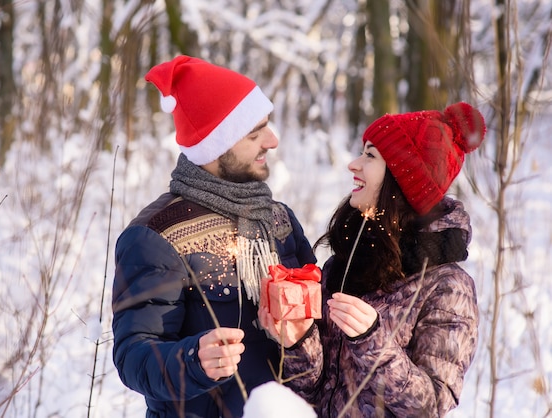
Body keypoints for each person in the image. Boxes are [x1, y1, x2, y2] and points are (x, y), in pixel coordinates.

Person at [111, 55, 316, 418]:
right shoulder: (157, 236)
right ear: (215, 146)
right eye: (254, 134)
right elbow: (134, 354)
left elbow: (318, 329)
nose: (272, 140)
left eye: (267, 127)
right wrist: (193, 360)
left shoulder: (278, 219)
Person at [259, 102, 486, 417]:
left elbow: (430, 407)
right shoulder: (346, 261)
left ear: (403, 177)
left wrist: (372, 341)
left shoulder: (448, 288)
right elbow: (312, 390)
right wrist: (297, 341)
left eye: (370, 156)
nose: (354, 164)